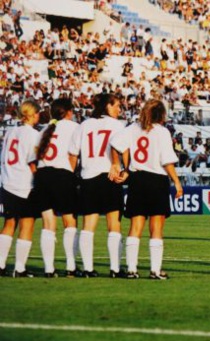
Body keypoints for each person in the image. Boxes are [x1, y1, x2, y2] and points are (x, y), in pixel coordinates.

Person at [110, 99, 183, 280]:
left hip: (137, 179)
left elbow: (115, 144)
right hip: (157, 180)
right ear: (161, 115)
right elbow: (167, 161)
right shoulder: (163, 132)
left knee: (135, 226)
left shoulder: (133, 128)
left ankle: (131, 270)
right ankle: (155, 271)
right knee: (156, 227)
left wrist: (118, 165)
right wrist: (177, 182)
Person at [68, 93, 126, 278]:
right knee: (114, 224)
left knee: (88, 225)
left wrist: (72, 177)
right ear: (107, 106)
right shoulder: (117, 125)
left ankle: (87, 269)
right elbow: (125, 151)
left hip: (89, 177)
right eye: (117, 105)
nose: (119, 109)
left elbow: (73, 154)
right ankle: (115, 269)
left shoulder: (84, 125)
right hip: (110, 176)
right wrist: (124, 170)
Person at [33, 98, 79, 278]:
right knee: (70, 222)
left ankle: (49, 269)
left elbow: (36, 156)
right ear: (68, 112)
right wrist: (71, 173)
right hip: (62, 174)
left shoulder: (44, 130)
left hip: (43, 176)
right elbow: (74, 155)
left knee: (48, 224)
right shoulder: (73, 127)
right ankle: (70, 267)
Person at [0, 100, 41, 277]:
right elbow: (32, 161)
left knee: (9, 223)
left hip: (8, 181)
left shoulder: (10, 131)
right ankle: (20, 267)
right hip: (25, 184)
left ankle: (0, 264)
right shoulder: (32, 134)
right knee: (27, 223)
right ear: (32, 114)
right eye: (38, 113)